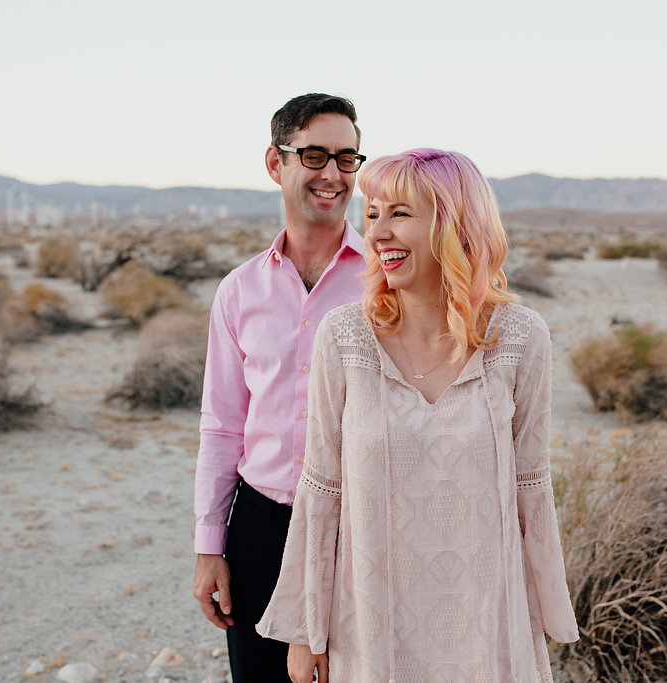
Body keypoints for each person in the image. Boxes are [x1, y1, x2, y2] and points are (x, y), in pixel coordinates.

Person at [256, 149, 579, 682]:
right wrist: (305, 629)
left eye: (399, 213)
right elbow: (321, 492)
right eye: (373, 213)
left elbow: (530, 488)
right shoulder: (344, 337)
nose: (378, 232)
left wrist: (540, 616)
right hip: (371, 630)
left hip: (486, 627)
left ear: (454, 224)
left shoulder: (520, 339)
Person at [192, 93, 367, 682]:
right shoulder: (238, 291)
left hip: (363, 528)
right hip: (261, 528)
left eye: (347, 159)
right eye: (314, 155)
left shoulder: (388, 284)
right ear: (276, 163)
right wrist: (210, 545)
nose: (332, 175)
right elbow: (221, 426)